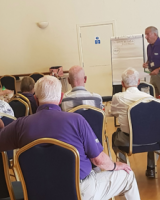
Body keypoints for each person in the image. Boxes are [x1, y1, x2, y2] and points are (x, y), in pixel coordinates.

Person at [0, 75, 140, 200]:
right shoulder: (76, 120)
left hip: (36, 193)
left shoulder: (20, 125)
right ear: (61, 97)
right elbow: (98, 160)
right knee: (127, 175)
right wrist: (116, 165)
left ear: (36, 99)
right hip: (79, 193)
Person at [111, 67, 158, 178]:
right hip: (154, 142)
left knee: (115, 136)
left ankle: (125, 172)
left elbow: (113, 113)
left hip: (130, 142)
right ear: (138, 82)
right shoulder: (151, 99)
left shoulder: (118, 97)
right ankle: (151, 168)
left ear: (122, 83)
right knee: (150, 130)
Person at [143, 26, 160, 97]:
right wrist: (146, 63)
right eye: (145, 35)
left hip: (159, 73)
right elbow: (150, 59)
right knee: (152, 94)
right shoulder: (149, 47)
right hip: (153, 75)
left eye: (148, 34)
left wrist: (158, 69)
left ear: (155, 34)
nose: (146, 37)